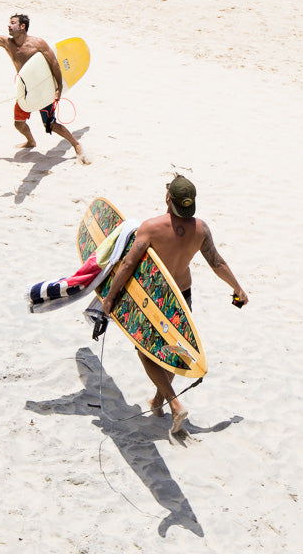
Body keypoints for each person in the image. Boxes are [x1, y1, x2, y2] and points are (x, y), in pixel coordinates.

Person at [102, 175, 248, 433]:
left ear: (168, 198)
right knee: (172, 349)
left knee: (146, 351)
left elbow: (127, 264)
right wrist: (237, 288)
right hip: (181, 296)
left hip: (153, 298)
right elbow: (217, 262)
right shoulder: (201, 229)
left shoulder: (151, 228)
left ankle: (173, 403)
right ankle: (158, 401)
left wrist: (110, 296)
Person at [0, 12, 87, 162]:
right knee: (19, 124)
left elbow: (54, 64)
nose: (9, 25)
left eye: (13, 23)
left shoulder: (38, 44)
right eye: (9, 22)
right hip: (25, 90)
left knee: (50, 124)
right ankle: (31, 141)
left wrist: (58, 88)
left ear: (22, 26)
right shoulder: (8, 43)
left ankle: (75, 144)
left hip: (43, 88)